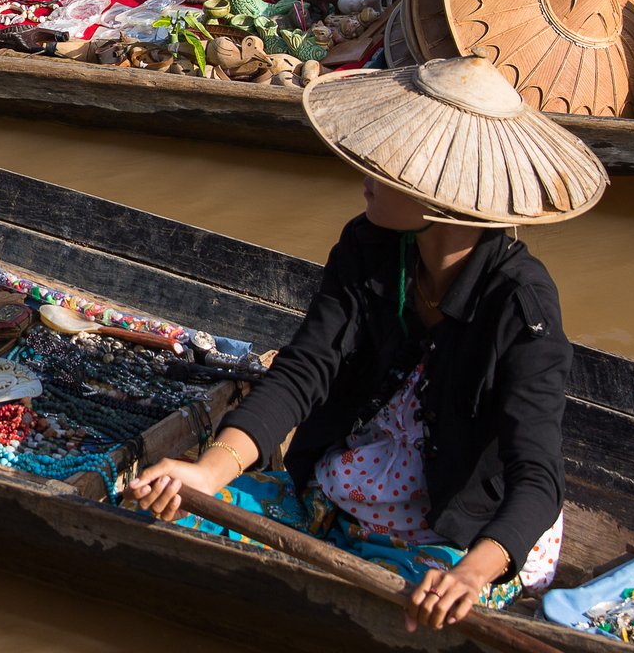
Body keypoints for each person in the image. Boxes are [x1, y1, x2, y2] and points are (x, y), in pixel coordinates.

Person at [127, 56, 608, 634]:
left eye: (393, 165)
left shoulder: (521, 304)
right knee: (168, 508)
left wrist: (473, 574)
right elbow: (305, 370)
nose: (368, 172)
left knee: (416, 613)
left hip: (462, 521)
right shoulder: (368, 245)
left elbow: (536, 472)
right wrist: (208, 472)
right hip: (359, 471)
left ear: (441, 198)